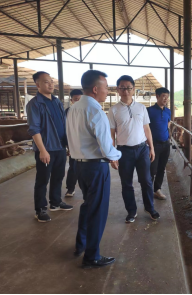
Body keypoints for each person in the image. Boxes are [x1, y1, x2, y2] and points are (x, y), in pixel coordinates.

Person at [67, 70, 122, 268]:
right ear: (96, 88)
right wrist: (118, 155)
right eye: (106, 87)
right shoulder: (96, 111)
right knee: (98, 210)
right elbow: (107, 148)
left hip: (78, 165)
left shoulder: (74, 108)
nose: (108, 91)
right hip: (95, 167)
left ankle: (80, 244)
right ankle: (92, 256)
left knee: (88, 206)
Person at [108, 75, 160, 224]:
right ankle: (131, 211)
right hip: (124, 151)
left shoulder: (141, 107)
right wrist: (113, 155)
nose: (126, 91)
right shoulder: (114, 110)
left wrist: (152, 148)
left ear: (133, 89)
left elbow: (147, 129)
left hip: (142, 149)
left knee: (147, 181)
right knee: (127, 183)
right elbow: (112, 134)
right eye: (122, 88)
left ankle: (150, 208)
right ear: (118, 90)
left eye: (129, 88)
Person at [27, 72, 73, 223]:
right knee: (42, 180)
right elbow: (34, 129)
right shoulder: (34, 104)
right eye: (46, 82)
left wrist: (68, 145)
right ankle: (40, 209)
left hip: (59, 147)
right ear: (38, 85)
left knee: (58, 176)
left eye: (51, 81)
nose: (51, 84)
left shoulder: (57, 102)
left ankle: (55, 202)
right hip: (46, 149)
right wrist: (42, 150)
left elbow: (64, 124)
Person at [147, 88, 171, 200]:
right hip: (154, 145)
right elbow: (145, 128)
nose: (165, 98)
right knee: (152, 169)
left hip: (166, 144)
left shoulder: (168, 111)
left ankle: (157, 190)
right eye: (163, 96)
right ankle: (148, 191)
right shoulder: (149, 111)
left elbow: (168, 124)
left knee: (162, 168)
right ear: (157, 96)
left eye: (167, 96)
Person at [64, 89, 83, 198]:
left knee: (86, 167)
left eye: (80, 99)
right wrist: (69, 146)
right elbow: (66, 130)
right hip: (73, 144)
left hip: (86, 145)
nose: (78, 101)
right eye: (76, 99)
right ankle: (70, 188)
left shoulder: (87, 110)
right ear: (71, 100)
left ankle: (85, 187)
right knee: (73, 166)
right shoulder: (68, 112)